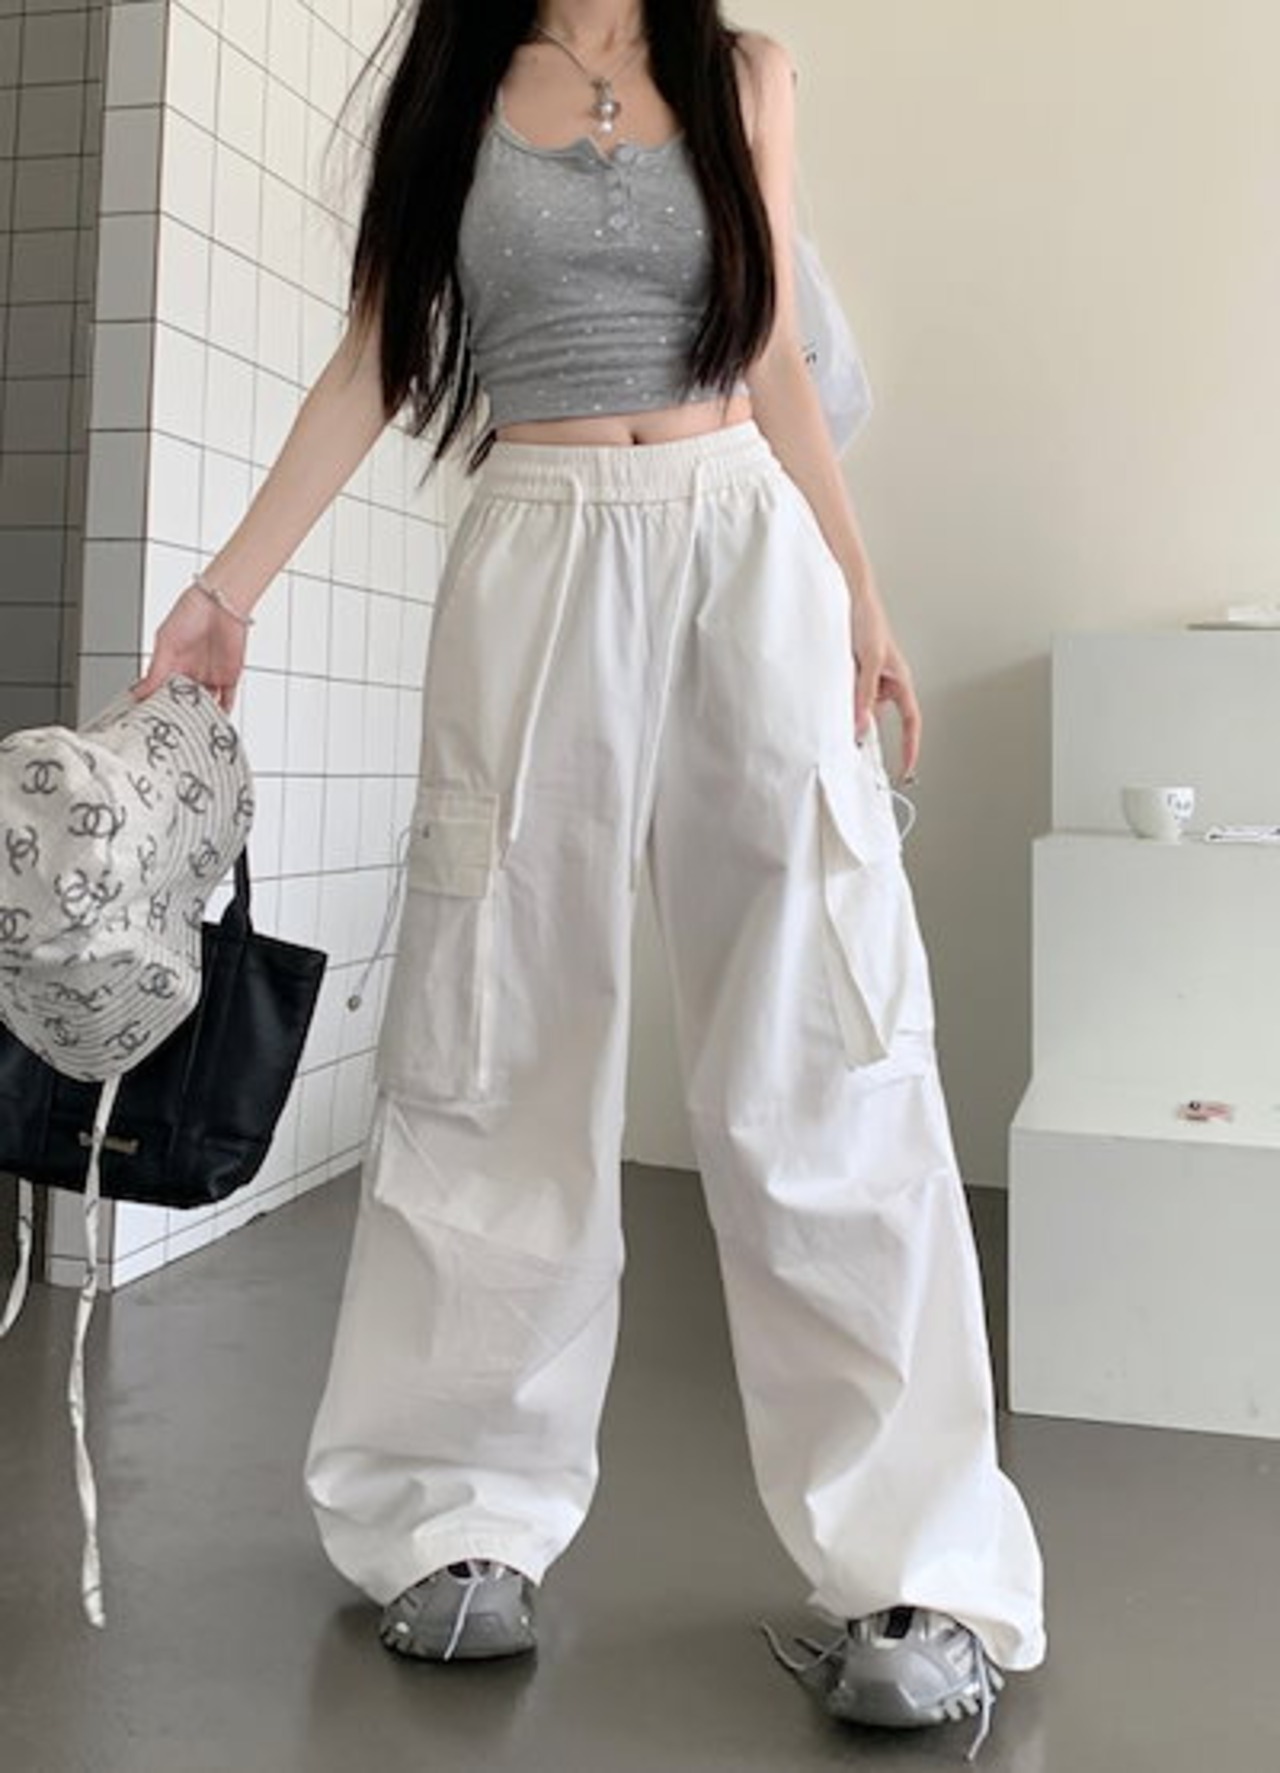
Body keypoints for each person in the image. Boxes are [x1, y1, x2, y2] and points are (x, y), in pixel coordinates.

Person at [138, 0, 1045, 1748]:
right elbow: (379, 349)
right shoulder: (456, 87)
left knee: (826, 1046)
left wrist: (859, 594)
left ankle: (917, 1560)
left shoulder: (744, 75)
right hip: (534, 558)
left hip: (743, 546)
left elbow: (771, 348)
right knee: (494, 1046)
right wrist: (226, 591)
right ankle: (455, 1514)